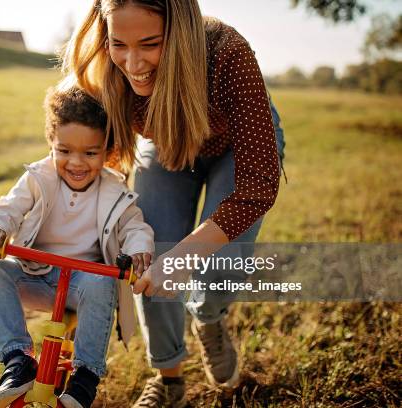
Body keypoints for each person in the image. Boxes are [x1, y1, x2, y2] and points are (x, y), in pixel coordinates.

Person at [62, 0, 286, 406]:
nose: (133, 63)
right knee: (149, 249)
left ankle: (210, 318)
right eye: (119, 44)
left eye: (150, 44)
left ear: (180, 32)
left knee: (217, 261)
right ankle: (169, 379)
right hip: (166, 143)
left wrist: (183, 259)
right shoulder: (103, 72)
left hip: (234, 144)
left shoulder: (227, 52)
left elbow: (256, 187)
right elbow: (86, 163)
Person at [0, 86, 154, 408]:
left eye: (90, 152)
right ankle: (18, 359)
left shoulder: (113, 189)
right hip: (36, 276)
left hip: (82, 286)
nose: (76, 162)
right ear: (51, 145)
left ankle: (86, 375)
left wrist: (139, 249)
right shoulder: (39, 177)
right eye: (65, 150)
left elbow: (134, 227)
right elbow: (9, 208)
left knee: (102, 283)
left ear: (106, 150)